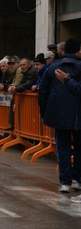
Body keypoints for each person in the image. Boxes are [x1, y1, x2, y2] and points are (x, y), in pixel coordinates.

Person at [39, 38, 81, 196]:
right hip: (78, 115)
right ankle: (77, 178)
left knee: (62, 146)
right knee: (79, 147)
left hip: (58, 113)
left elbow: (43, 91)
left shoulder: (52, 67)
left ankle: (65, 181)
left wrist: (44, 112)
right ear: (78, 50)